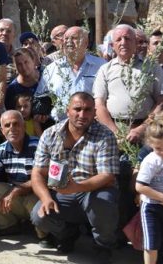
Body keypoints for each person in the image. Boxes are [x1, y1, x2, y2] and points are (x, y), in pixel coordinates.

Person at [31, 92, 119, 263]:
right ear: (67, 110)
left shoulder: (105, 135)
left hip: (94, 191)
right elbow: (37, 172)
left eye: (87, 110)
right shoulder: (50, 134)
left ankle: (103, 246)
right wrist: (46, 197)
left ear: (94, 112)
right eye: (77, 109)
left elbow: (107, 176)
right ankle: (68, 234)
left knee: (104, 203)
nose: (82, 115)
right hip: (63, 192)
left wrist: (76, 187)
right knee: (38, 215)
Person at [94, 24, 163, 142]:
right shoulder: (105, 70)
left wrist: (142, 128)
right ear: (112, 45)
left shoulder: (153, 68)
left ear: (136, 43)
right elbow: (99, 105)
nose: (123, 42)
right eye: (118, 39)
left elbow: (161, 102)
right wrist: (115, 132)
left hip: (146, 131)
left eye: (127, 38)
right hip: (112, 131)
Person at [0, 111, 43, 237]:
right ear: (2, 130)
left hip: (36, 194)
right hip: (18, 196)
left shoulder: (37, 145)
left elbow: (43, 179)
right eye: (7, 125)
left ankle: (44, 233)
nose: (12, 128)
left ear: (24, 126)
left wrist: (15, 191)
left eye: (16, 124)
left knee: (34, 203)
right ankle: (9, 225)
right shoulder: (1, 149)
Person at [36, 26, 106, 121]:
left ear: (86, 43)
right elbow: (40, 96)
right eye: (66, 38)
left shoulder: (101, 66)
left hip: (92, 124)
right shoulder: (51, 69)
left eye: (74, 38)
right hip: (59, 126)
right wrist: (41, 111)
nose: (69, 41)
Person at [135, 113, 163, 264]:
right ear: (151, 144)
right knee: (151, 244)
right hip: (151, 207)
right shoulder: (151, 160)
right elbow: (140, 186)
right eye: (159, 148)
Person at [0, 18, 17, 82]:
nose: (4, 33)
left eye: (8, 31)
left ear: (14, 35)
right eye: (1, 30)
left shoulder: (20, 57)